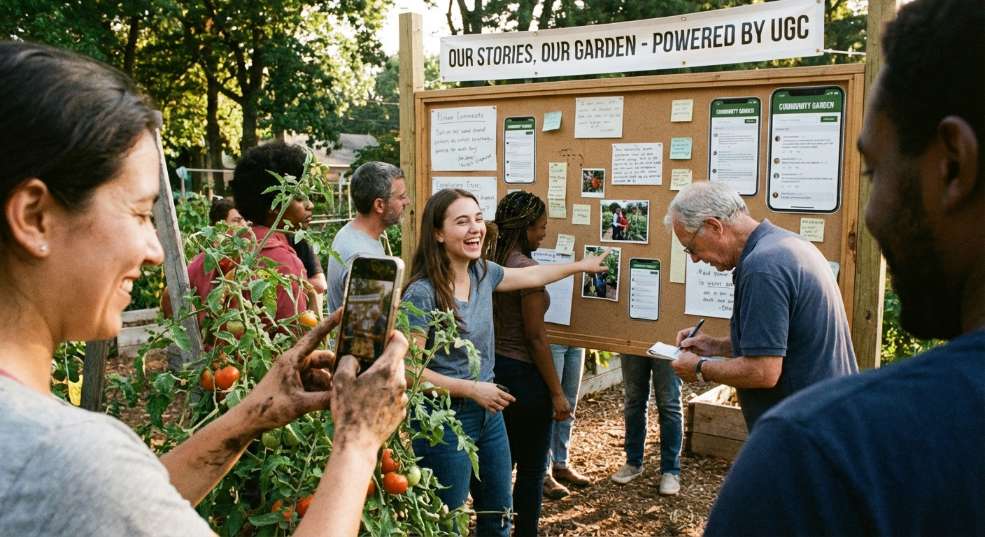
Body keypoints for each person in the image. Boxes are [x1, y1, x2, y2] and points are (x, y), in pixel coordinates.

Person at [0, 41, 407, 536]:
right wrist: (359, 439)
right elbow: (96, 488)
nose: (154, 249)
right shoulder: (69, 456)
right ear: (34, 217)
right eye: (138, 213)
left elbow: (126, 505)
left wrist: (252, 414)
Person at [705, 1, 984, 533]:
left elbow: (766, 367)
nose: (871, 216)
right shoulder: (784, 248)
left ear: (952, 165)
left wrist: (698, 366)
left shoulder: (823, 457)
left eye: (876, 172)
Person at [402, 188, 608, 537]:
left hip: (489, 415)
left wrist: (581, 266)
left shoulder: (484, 273)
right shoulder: (422, 293)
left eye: (478, 219)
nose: (475, 229)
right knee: (446, 521)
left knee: (498, 517)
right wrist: (471, 389)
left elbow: (531, 277)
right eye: (462, 222)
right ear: (437, 233)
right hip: (445, 419)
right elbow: (408, 371)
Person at [666, 182, 858, 429]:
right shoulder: (786, 244)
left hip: (805, 431)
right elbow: (781, 343)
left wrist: (701, 368)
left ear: (714, 226)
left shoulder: (762, 268)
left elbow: (763, 371)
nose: (693, 258)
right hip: (825, 418)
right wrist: (714, 345)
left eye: (691, 247)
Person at [489, 192, 573, 536]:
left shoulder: (489, 260)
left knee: (499, 464)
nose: (543, 235)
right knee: (532, 470)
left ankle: (493, 528)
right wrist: (556, 392)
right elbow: (536, 337)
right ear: (525, 228)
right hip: (524, 374)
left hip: (494, 371)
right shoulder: (527, 270)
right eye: (540, 228)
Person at [187, 141, 313, 322]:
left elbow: (170, 296)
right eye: (300, 197)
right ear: (275, 205)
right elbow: (296, 343)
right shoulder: (286, 264)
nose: (311, 205)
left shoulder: (212, 256)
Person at [326, 161, 409, 313]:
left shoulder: (348, 232)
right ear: (379, 205)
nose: (407, 202)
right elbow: (369, 329)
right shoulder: (364, 259)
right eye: (401, 197)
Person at [610, 353, 684, 495]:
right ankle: (633, 462)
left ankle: (671, 470)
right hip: (634, 336)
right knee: (634, 400)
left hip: (669, 340)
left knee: (669, 403)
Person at [542, 344, 591, 499]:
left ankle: (560, 464)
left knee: (569, 404)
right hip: (554, 336)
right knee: (550, 405)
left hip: (576, 338)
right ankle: (543, 472)